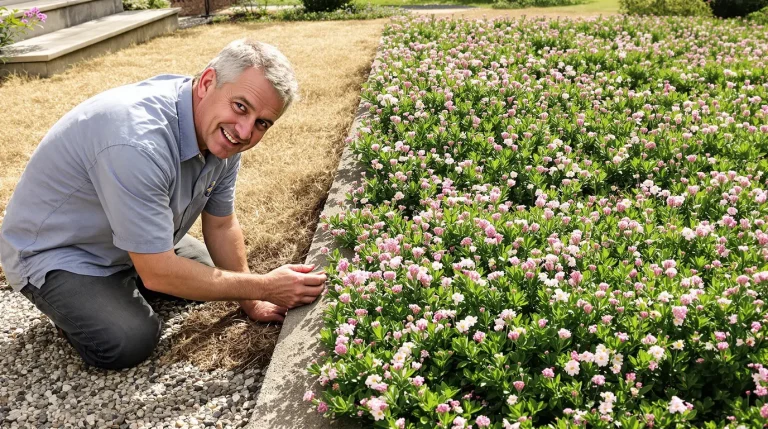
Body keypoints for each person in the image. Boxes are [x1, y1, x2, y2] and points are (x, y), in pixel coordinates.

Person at [0, 39, 326, 370]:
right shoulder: (137, 142)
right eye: (241, 107)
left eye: (262, 123)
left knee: (206, 270)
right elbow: (158, 273)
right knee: (129, 339)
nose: (244, 132)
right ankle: (75, 311)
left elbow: (221, 224)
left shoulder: (222, 133)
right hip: (59, 252)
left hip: (119, 237)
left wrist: (252, 300)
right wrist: (266, 286)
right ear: (207, 82)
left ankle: (132, 268)